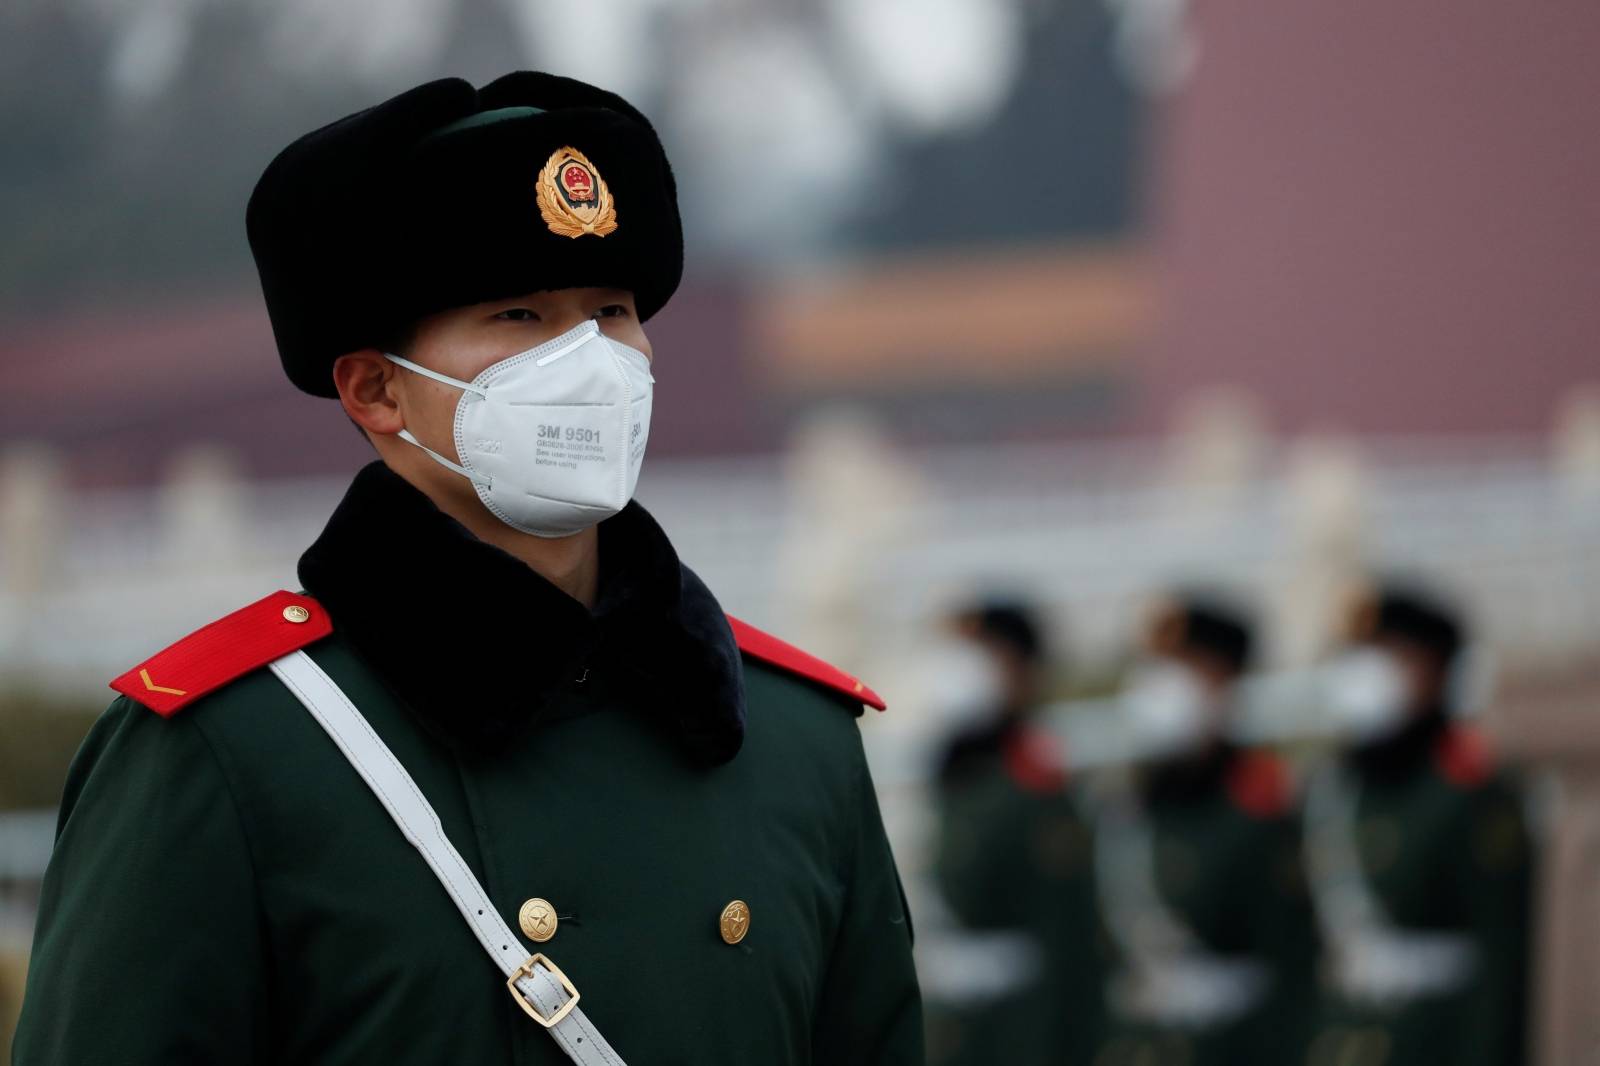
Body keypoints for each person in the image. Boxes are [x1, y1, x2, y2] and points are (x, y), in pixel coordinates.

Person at [12, 73, 922, 1066]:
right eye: (521, 317)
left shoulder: (793, 739)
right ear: (375, 388)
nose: (589, 361)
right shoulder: (231, 755)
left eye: (611, 311)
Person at [1307, 584, 1532, 1066]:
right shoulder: (1336, 790)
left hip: (1437, 1040)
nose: (1370, 675)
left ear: (1439, 671)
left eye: (1393, 657)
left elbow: (1505, 956)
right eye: (1361, 656)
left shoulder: (1473, 791)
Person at [1091, 594, 1317, 1066]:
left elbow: (1296, 966)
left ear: (1226, 682)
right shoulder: (1127, 807)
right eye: (1156, 665)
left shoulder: (1262, 805)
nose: (1161, 685)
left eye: (1185, 667)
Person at [923, 600, 1104, 1066]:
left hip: (1022, 1029)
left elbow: (1068, 928)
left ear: (1022, 671)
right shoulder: (955, 768)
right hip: (958, 1023)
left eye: (985, 655)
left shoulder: (1036, 774)